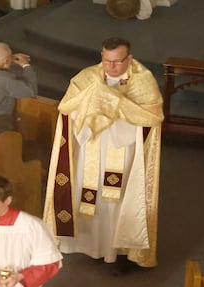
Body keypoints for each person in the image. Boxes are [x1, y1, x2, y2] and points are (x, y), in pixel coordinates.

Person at [43, 37, 164, 267]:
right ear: (101, 56)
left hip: (122, 146)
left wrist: (114, 103)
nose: (111, 67)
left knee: (114, 200)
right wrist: (90, 112)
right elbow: (67, 108)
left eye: (117, 61)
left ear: (129, 58)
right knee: (86, 193)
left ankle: (114, 249)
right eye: (107, 61)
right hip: (90, 145)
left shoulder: (142, 81)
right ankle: (81, 244)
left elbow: (152, 117)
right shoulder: (86, 78)